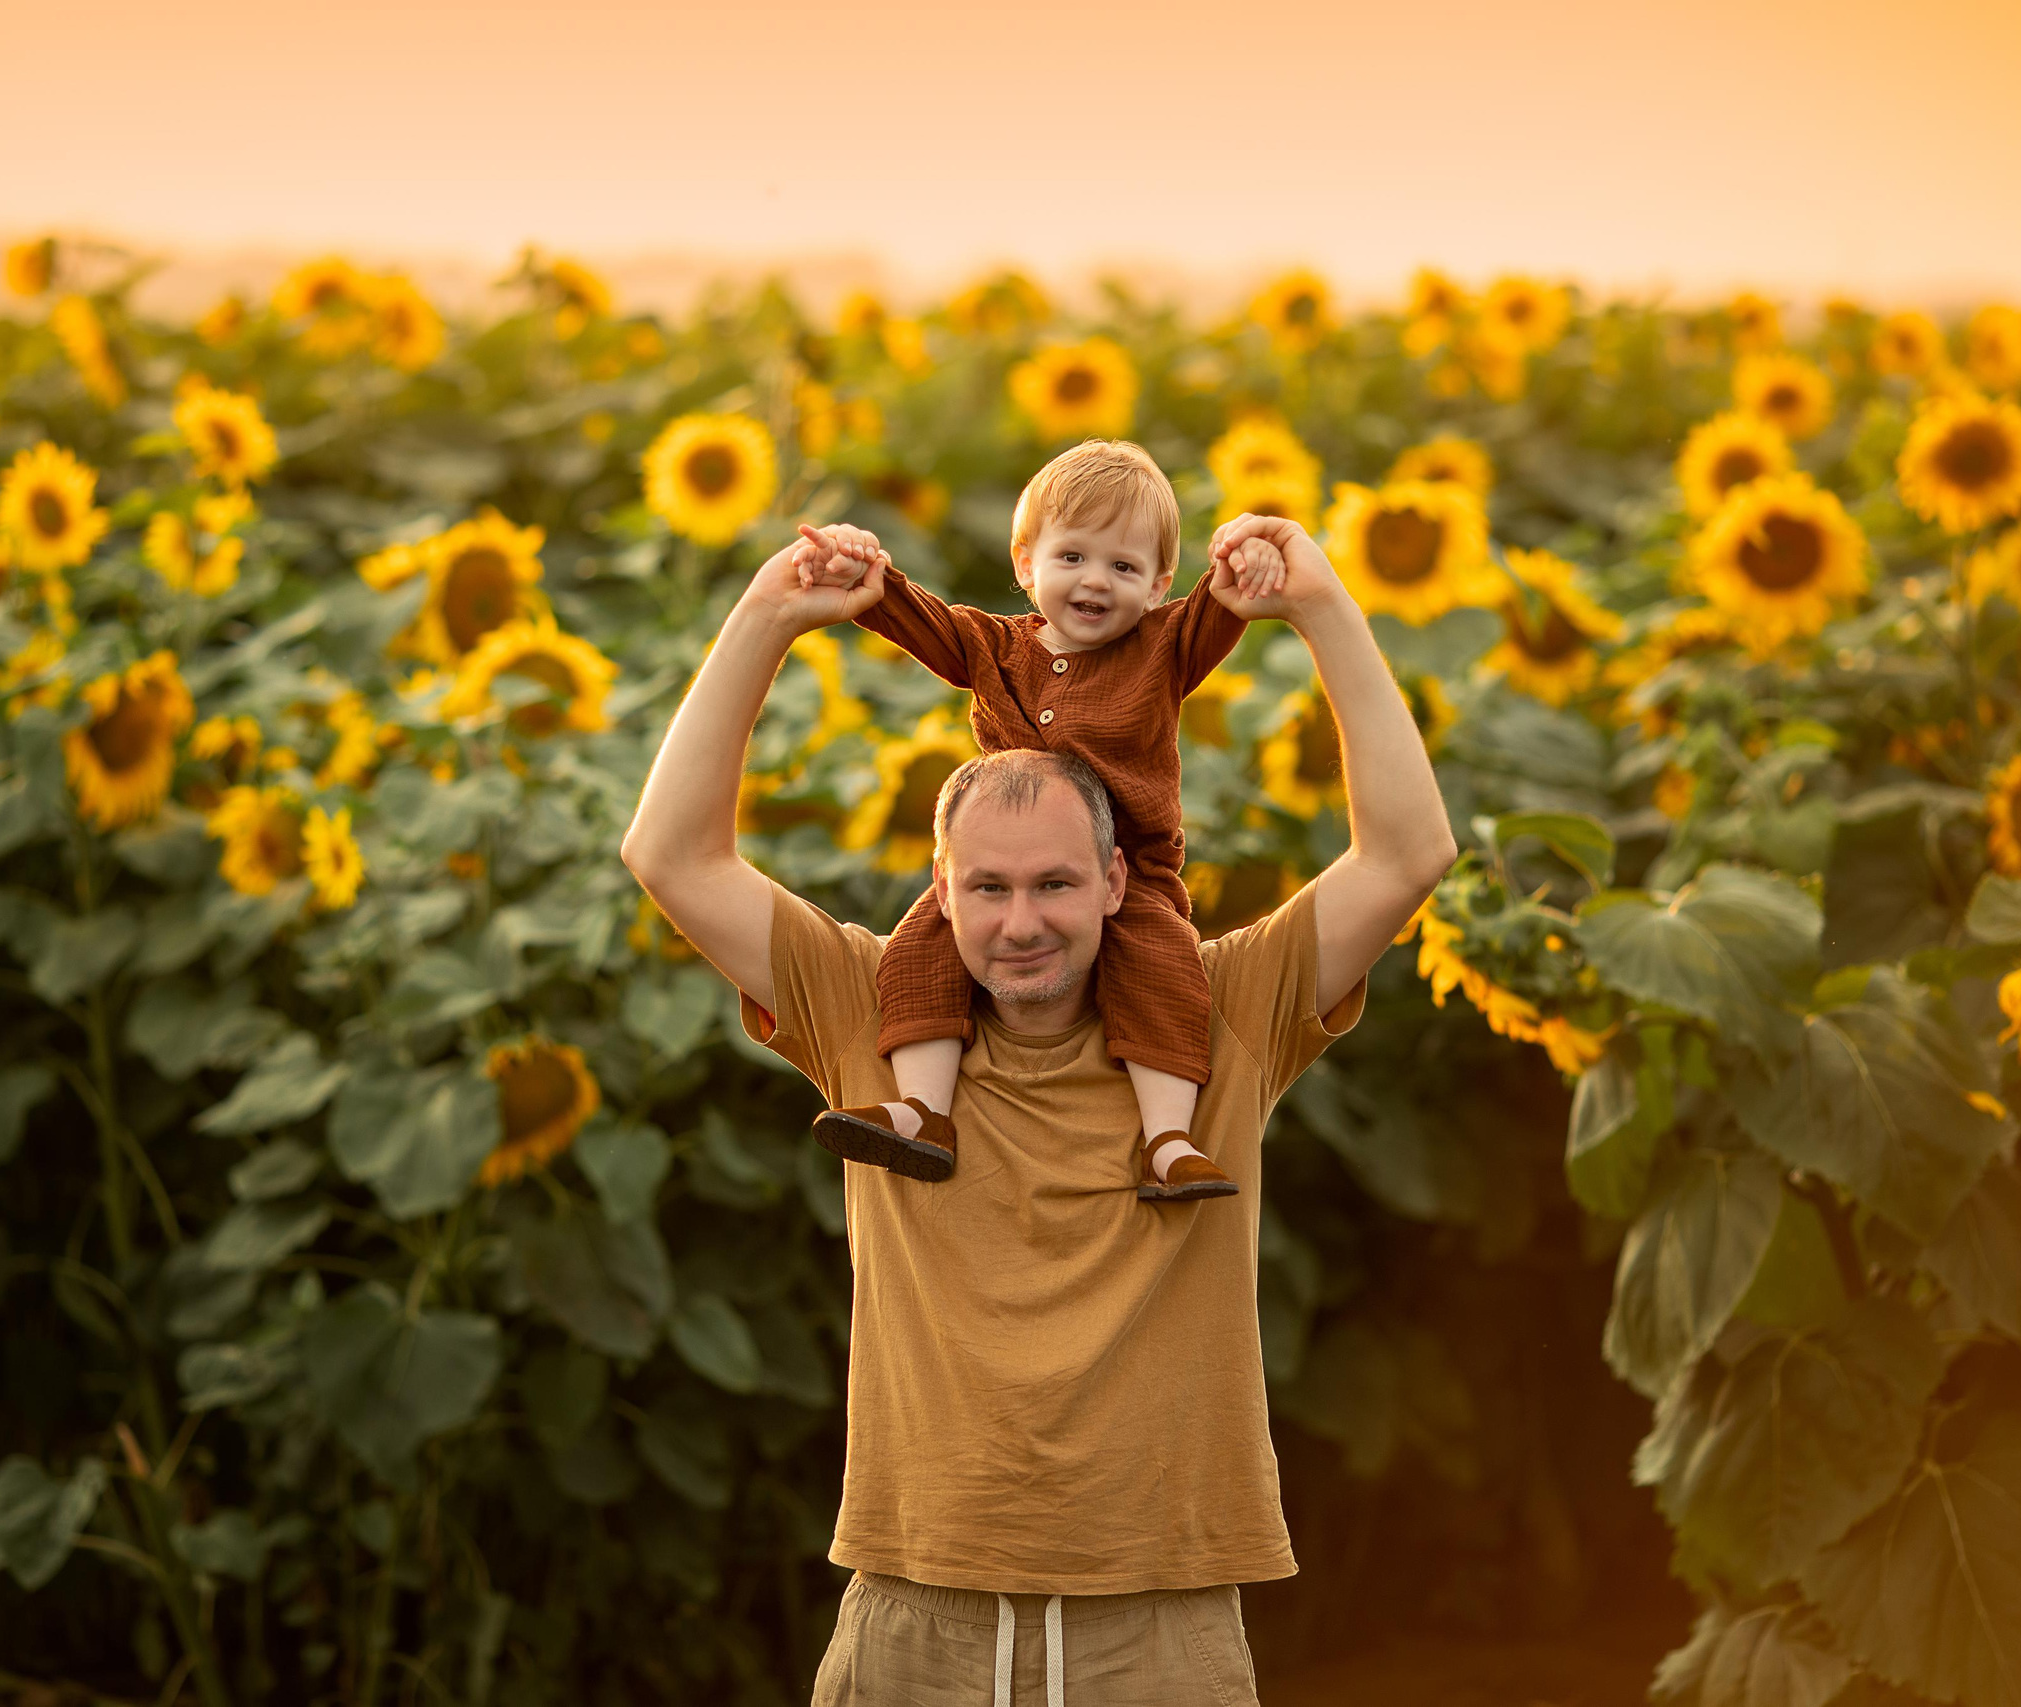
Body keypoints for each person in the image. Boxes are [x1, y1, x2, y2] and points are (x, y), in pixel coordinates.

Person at [617, 501, 1456, 1706]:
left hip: (1159, 1618)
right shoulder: (866, 1010)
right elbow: (672, 858)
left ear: (1119, 879)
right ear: (941, 894)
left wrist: (1320, 608)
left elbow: (1406, 854)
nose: (1022, 923)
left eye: (1057, 883)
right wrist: (765, 617)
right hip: (915, 1607)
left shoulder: (1227, 1012)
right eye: (991, 888)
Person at [786, 438, 1288, 1204]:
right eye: (1073, 557)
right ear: (1027, 563)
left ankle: (1167, 1140)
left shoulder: (1165, 649)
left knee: (1165, 966)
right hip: (1010, 866)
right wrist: (865, 572)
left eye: (1123, 568)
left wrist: (1244, 558)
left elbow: (1223, 604)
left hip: (1131, 868)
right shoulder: (994, 646)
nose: (1095, 581)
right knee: (922, 944)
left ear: (1157, 585)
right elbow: (916, 617)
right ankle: (923, 1111)